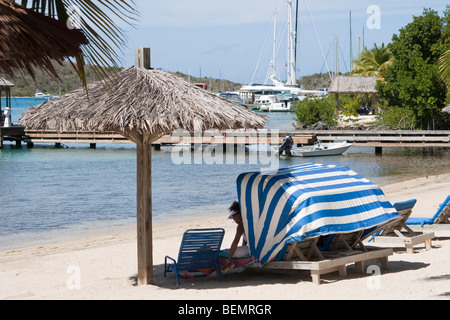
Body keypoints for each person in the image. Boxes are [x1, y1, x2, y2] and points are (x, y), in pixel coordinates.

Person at [222, 201, 249, 272]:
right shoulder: (248, 221)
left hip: (253, 250)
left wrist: (228, 259)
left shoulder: (241, 224)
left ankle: (230, 263)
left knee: (228, 252)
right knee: (228, 250)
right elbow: (244, 242)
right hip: (254, 249)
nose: (234, 219)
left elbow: (236, 241)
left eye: (234, 216)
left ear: (240, 213)